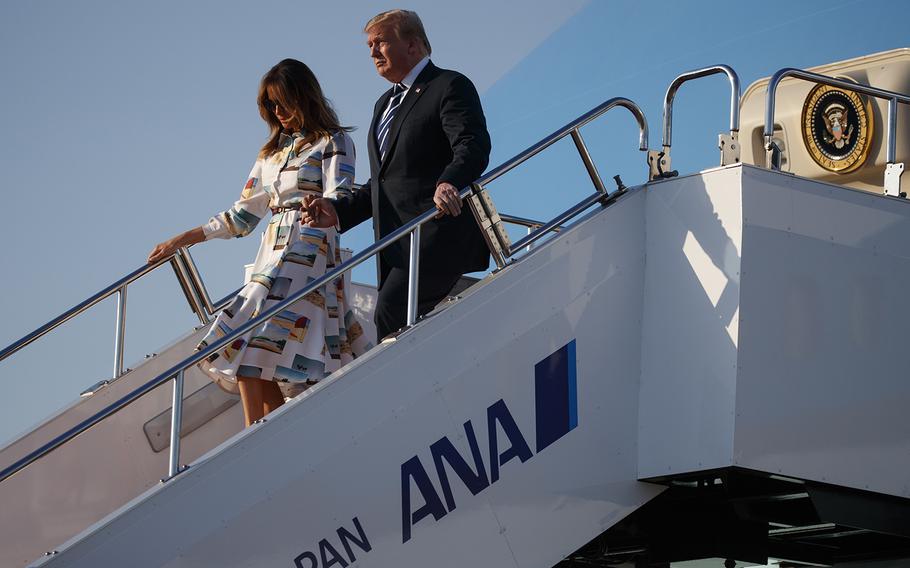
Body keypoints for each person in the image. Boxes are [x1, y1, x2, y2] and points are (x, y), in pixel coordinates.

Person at [148, 59, 371, 427]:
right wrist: (183, 238)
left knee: (246, 342)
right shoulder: (270, 155)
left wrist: (320, 206)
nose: (279, 112)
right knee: (254, 357)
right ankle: (268, 432)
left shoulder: (334, 141)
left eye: (284, 102)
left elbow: (342, 194)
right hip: (272, 252)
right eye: (271, 106)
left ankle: (254, 435)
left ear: (304, 97)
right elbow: (241, 217)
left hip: (309, 248)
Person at [302, 9, 491, 340]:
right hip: (397, 244)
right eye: (370, 46)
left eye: (381, 42)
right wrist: (337, 210)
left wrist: (450, 180)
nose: (373, 51)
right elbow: (385, 181)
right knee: (396, 321)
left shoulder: (448, 85)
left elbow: (471, 144)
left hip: (435, 233)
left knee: (390, 314)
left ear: (413, 45)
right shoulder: (383, 105)